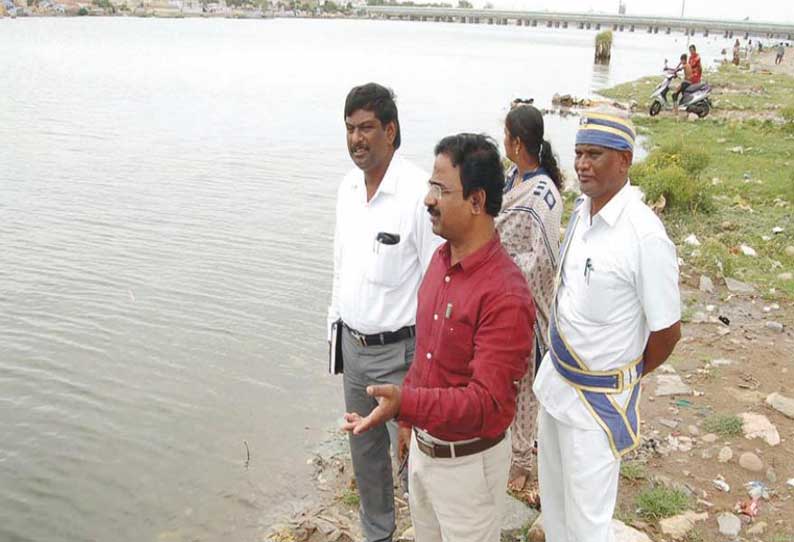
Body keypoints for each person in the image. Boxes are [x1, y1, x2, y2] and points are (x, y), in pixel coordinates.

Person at [342, 133, 535, 542]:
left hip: (468, 468)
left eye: (442, 190)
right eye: (430, 187)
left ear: (477, 202)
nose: (428, 199)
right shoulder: (439, 262)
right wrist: (406, 419)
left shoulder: (505, 293)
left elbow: (488, 403)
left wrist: (406, 403)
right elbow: (426, 359)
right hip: (425, 458)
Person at [532, 109, 682, 542]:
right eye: (578, 153)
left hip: (598, 409)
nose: (582, 164)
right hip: (556, 387)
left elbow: (667, 333)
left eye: (594, 154)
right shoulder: (582, 213)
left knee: (589, 526)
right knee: (557, 511)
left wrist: (620, 375)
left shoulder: (645, 236)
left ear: (625, 160)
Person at [328, 82, 442, 542]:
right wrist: (335, 338)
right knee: (365, 453)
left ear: (391, 131)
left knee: (425, 457)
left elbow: (438, 282)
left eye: (367, 128)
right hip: (354, 349)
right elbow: (339, 268)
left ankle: (434, 532)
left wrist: (429, 364)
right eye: (350, 129)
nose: (357, 139)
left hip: (405, 353)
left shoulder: (418, 192)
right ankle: (379, 534)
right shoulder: (347, 189)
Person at [499, 104, 563, 495]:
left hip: (526, 300)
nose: (503, 140)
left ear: (518, 141)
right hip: (500, 296)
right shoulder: (511, 178)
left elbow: (544, 260)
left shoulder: (544, 194)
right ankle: (501, 447)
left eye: (505, 135)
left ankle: (521, 461)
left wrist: (500, 264)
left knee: (524, 382)